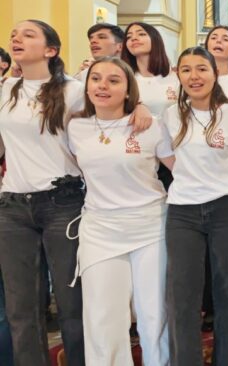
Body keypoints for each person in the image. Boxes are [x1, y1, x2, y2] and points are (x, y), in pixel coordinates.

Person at [0, 19, 146, 366]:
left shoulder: (74, 89)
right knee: (22, 309)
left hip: (62, 203)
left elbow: (110, 118)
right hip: (13, 206)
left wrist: (138, 108)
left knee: (72, 305)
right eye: (14, 35)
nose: (16, 39)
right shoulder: (6, 89)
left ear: (51, 50)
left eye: (28, 35)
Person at [162, 46, 228, 365]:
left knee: (225, 297)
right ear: (178, 75)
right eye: (186, 70)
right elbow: (166, 157)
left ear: (215, 73)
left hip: (226, 210)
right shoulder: (170, 115)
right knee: (183, 298)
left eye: (201, 69)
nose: (194, 76)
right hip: (182, 212)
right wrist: (190, 175)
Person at [68, 57, 174, 365]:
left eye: (114, 80)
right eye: (96, 79)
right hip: (100, 229)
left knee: (153, 313)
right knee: (103, 316)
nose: (103, 86)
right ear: (86, 86)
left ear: (129, 90)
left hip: (149, 226)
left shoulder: (150, 126)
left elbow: (181, 169)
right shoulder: (75, 126)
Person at [121, 22, 180, 117]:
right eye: (129, 37)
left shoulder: (176, 77)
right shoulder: (124, 79)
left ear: (155, 40)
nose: (134, 38)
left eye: (141, 34)